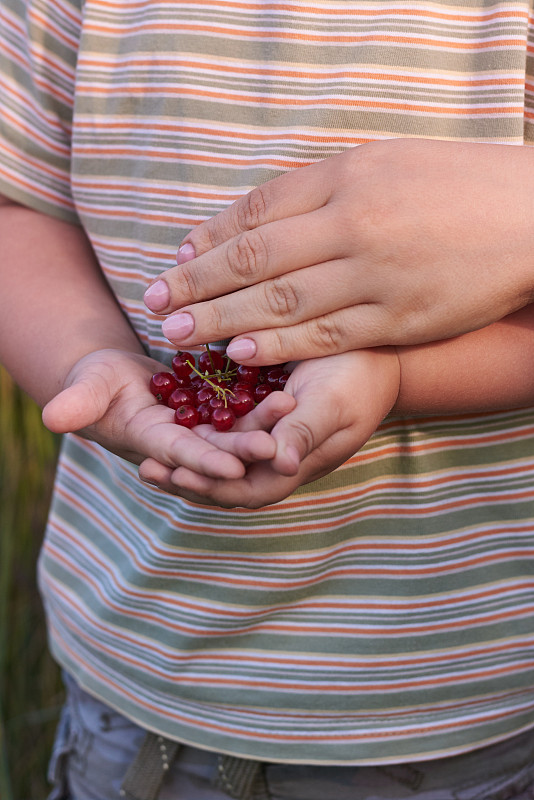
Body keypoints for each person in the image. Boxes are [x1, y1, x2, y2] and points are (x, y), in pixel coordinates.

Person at [1, 2, 534, 800]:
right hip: (131, 675)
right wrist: (88, 358)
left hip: (451, 707)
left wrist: (401, 378)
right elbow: (19, 209)